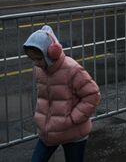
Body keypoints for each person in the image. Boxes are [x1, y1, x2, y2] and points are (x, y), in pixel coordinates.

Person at [23, 25, 101, 162]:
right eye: (32, 59)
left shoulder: (72, 69)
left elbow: (93, 94)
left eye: (38, 59)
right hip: (49, 131)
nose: (36, 63)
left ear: (51, 53)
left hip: (73, 133)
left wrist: (72, 119)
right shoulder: (40, 69)